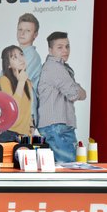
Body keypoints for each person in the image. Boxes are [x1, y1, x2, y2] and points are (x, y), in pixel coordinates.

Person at [37, 32, 87, 163]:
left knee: (60, 169)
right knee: (68, 170)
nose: (65, 50)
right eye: (60, 47)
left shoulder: (59, 67)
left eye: (67, 46)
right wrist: (79, 89)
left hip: (55, 126)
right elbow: (75, 93)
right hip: (57, 127)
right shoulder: (55, 67)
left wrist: (76, 88)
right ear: (50, 49)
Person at [0, 45, 33, 142]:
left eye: (21, 55)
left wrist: (31, 126)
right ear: (8, 64)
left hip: (25, 136)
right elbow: (12, 107)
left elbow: (27, 109)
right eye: (14, 57)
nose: (21, 59)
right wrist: (21, 82)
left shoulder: (28, 82)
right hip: (9, 133)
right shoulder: (4, 80)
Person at [17, 13, 42, 124]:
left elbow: (14, 80)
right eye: (20, 29)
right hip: (16, 110)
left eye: (27, 31)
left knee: (22, 142)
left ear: (35, 34)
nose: (22, 33)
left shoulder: (32, 56)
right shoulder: (16, 55)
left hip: (26, 113)